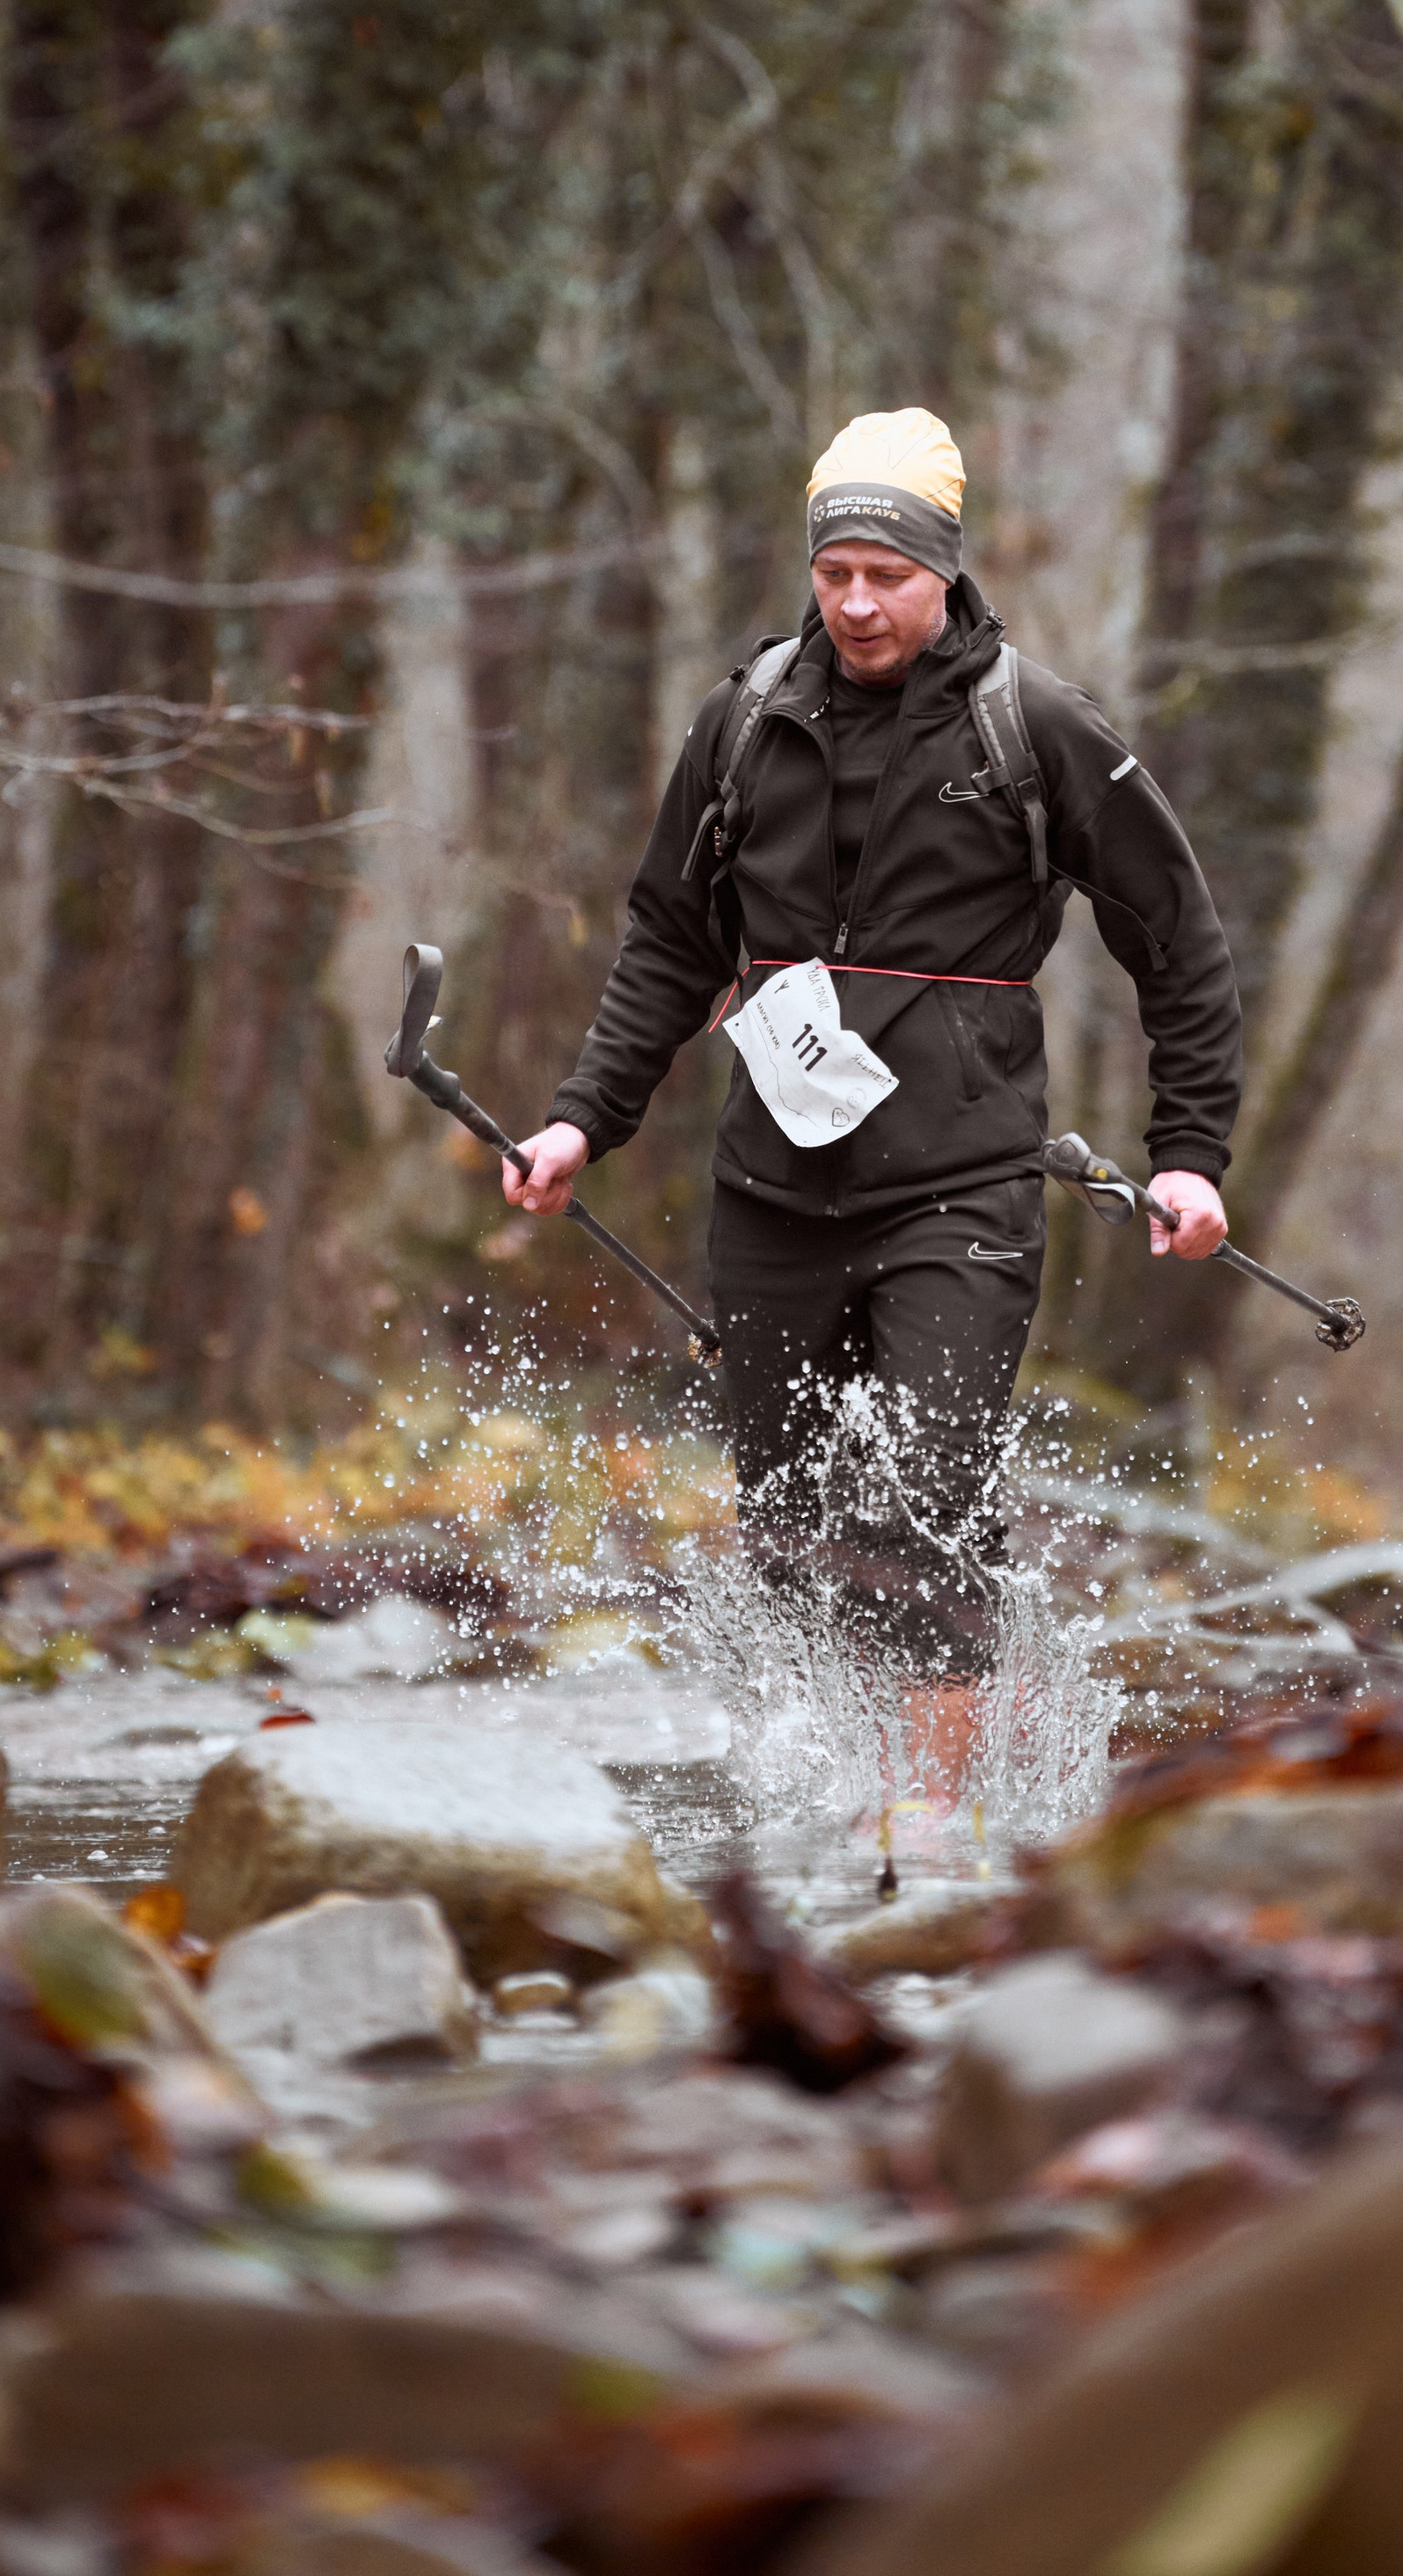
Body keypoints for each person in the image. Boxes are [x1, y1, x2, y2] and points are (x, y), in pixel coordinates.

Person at [505, 407, 1240, 1790]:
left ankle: (928, 1830)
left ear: (945, 573)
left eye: (886, 576)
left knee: (925, 1508)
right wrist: (579, 1121)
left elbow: (1179, 940)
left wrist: (1189, 1155)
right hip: (772, 1192)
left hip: (961, 1187)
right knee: (790, 1534)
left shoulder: (1039, 727)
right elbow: (671, 940)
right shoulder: (743, 721)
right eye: (834, 570)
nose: (855, 602)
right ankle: (855, 1801)